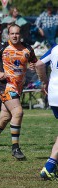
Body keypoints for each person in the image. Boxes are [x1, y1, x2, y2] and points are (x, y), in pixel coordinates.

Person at [0, 24, 38, 160]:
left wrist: (33, 66)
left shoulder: (28, 49)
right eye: (12, 33)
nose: (15, 36)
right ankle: (15, 148)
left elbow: (35, 63)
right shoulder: (1, 47)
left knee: (5, 118)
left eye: (17, 33)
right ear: (8, 35)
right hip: (5, 86)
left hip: (18, 87)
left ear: (21, 35)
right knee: (18, 112)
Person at [33, 45, 58, 180]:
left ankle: (52, 167)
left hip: (54, 94)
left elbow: (39, 64)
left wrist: (44, 82)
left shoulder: (55, 49)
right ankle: (49, 166)